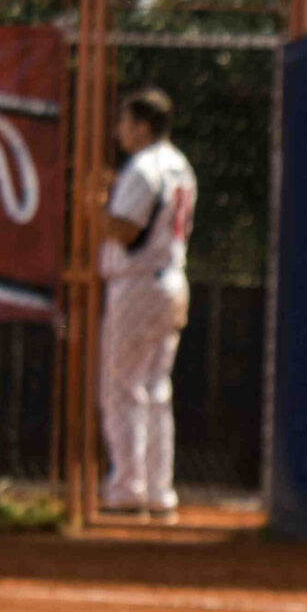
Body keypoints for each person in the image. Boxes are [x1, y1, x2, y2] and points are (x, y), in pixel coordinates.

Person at [96, 85, 195, 520]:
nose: (120, 130)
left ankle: (126, 490)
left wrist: (95, 205)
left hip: (137, 283)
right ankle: (159, 493)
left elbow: (125, 230)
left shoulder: (143, 167)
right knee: (156, 391)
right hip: (172, 279)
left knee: (122, 388)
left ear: (143, 126)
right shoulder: (181, 166)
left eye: (125, 121)